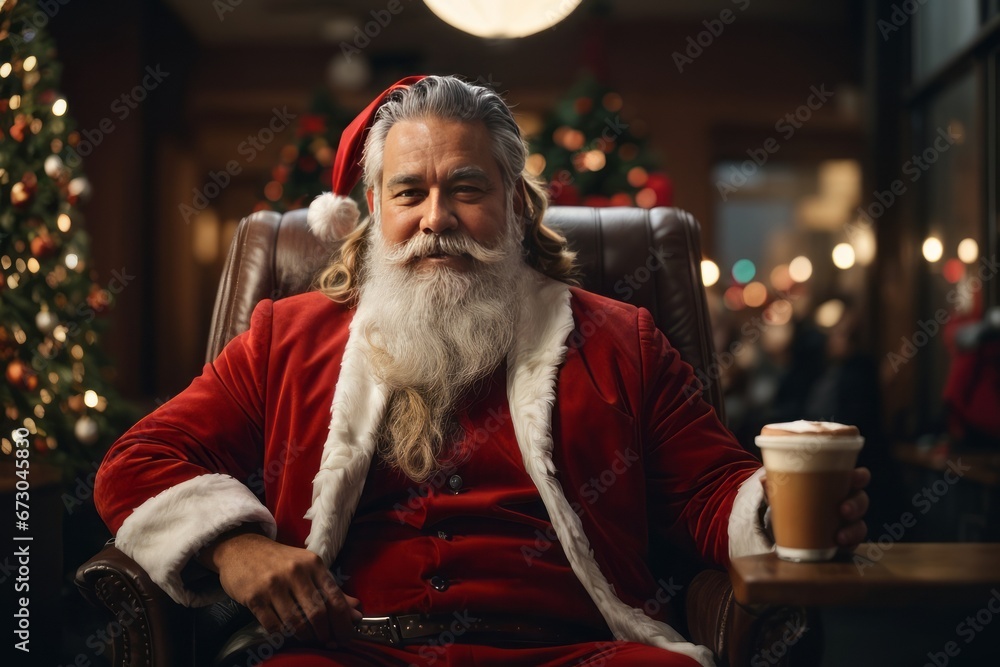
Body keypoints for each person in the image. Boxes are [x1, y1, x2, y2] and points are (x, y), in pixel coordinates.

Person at [94, 75, 870, 667]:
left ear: (514, 205)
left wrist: (777, 510)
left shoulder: (620, 339)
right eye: (410, 193)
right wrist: (236, 547)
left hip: (568, 651)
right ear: (373, 211)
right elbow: (139, 461)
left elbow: (708, 491)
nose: (437, 218)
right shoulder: (284, 339)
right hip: (349, 652)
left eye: (466, 188)